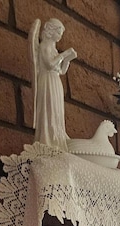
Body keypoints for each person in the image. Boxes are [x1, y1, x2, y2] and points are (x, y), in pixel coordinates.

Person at [29, 19, 77, 150]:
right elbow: (50, 64)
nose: (60, 35)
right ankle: (47, 139)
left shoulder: (54, 49)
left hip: (55, 81)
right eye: (59, 32)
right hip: (47, 81)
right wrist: (64, 54)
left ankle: (57, 137)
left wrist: (67, 59)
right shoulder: (45, 46)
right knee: (49, 108)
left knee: (57, 110)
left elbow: (61, 70)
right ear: (51, 30)